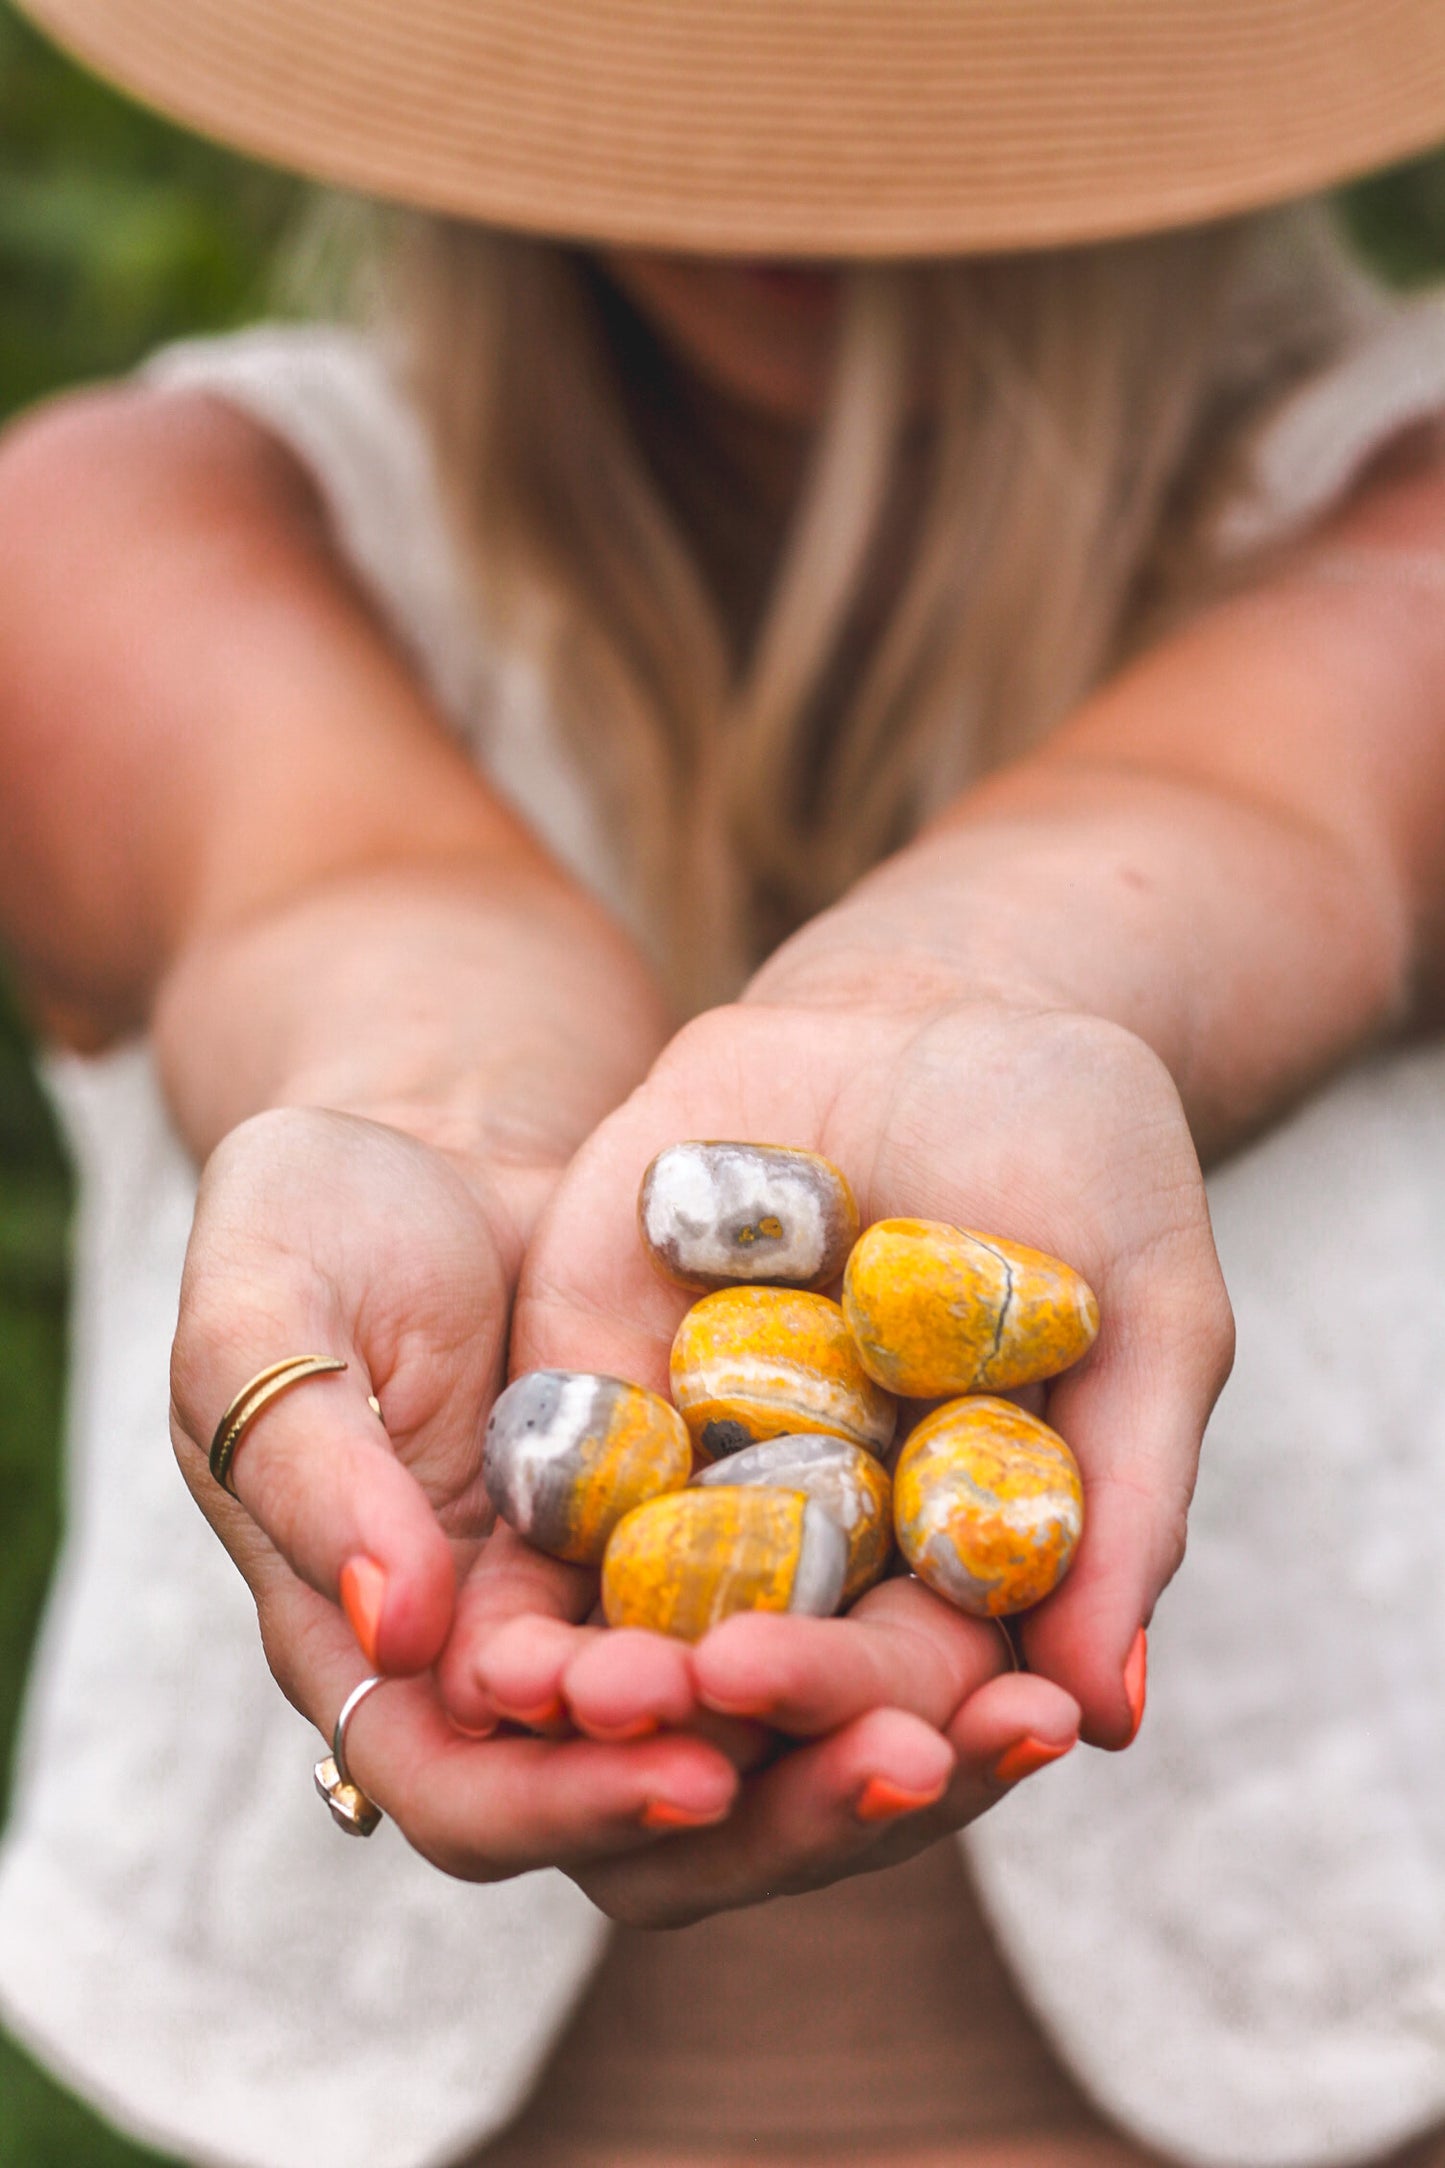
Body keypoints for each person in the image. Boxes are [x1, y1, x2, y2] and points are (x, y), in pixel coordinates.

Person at [1, 4, 1445, 2165]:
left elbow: (1270, 804)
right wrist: (441, 1104)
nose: (813, 151)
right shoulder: (124, 526)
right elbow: (334, 882)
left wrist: (939, 994)